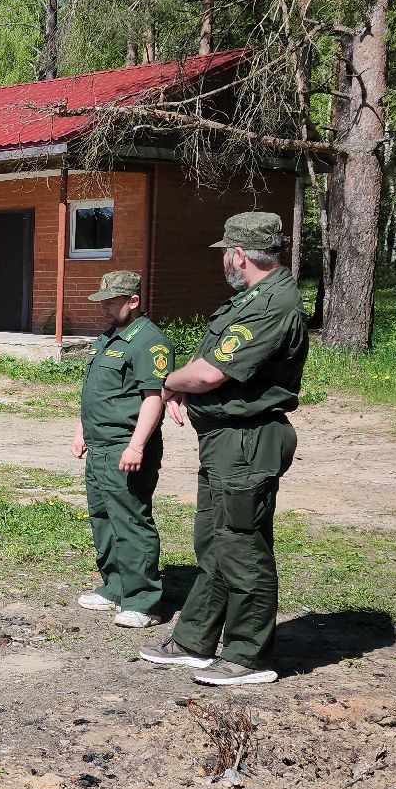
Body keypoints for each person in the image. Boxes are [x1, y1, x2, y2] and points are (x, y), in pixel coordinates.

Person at [140, 211, 309, 686]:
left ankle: (248, 656)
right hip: (223, 440)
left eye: (225, 255)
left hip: (248, 441)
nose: (223, 264)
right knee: (213, 540)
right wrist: (183, 383)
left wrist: (166, 382)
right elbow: (208, 360)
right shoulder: (249, 300)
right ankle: (195, 640)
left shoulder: (273, 304)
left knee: (241, 544)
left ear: (239, 254)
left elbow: (209, 373)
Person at [70, 270, 174, 629]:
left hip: (125, 447)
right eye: (104, 301)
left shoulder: (148, 341)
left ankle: (143, 600)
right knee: (103, 518)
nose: (106, 308)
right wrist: (82, 430)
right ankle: (114, 586)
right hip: (100, 445)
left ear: (133, 301)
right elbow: (98, 391)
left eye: (113, 301)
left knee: (130, 520)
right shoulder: (109, 338)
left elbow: (152, 399)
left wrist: (136, 446)